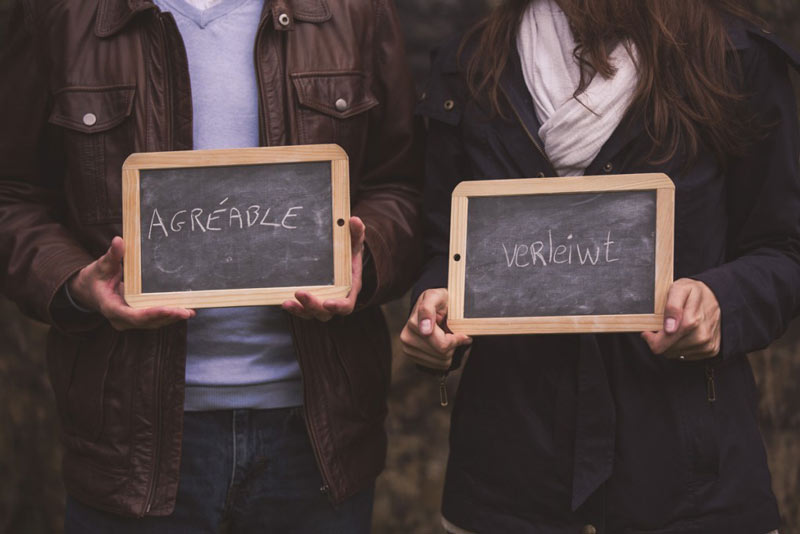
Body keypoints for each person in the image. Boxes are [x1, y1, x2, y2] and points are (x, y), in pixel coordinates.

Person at [0, 0, 421, 531]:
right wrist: (76, 282)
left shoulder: (355, 10)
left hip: (315, 439)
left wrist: (368, 255)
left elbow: (401, 185)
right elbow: (12, 194)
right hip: (132, 442)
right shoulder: (60, 14)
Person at [402, 0, 800, 532]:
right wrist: (436, 308)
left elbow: (783, 246)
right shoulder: (472, 63)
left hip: (688, 483)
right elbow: (444, 250)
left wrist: (723, 302)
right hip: (510, 479)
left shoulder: (731, 55)